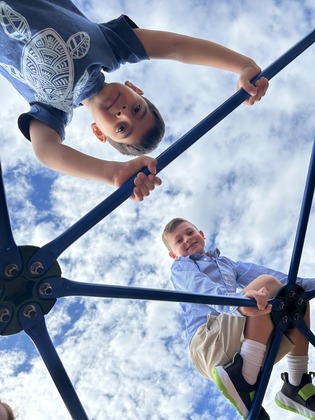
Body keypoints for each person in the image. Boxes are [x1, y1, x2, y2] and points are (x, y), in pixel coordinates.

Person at [0, 1, 268, 201]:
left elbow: (46, 151)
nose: (124, 113)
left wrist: (112, 173)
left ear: (98, 133)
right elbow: (177, 48)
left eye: (121, 128)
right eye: (138, 109)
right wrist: (242, 65)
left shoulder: (53, 109)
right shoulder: (112, 47)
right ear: (134, 88)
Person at [162, 217, 315, 419]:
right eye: (179, 240)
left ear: (201, 234)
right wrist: (239, 305)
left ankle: (296, 384)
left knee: (295, 298)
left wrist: (307, 286)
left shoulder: (226, 264)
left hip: (237, 340)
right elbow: (201, 288)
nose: (187, 240)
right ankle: (244, 379)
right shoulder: (182, 267)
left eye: (190, 233)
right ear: (173, 255)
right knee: (264, 287)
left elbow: (280, 281)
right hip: (209, 344)